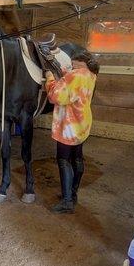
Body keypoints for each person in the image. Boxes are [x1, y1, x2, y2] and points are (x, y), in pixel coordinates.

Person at [45, 49, 100, 213]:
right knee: (77, 158)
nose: (70, 66)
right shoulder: (90, 74)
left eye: (72, 64)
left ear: (78, 62)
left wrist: (50, 77)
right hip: (82, 123)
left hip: (69, 126)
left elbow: (56, 96)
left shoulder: (75, 75)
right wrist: (65, 73)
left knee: (63, 161)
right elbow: (72, 84)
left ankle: (67, 201)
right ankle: (73, 193)